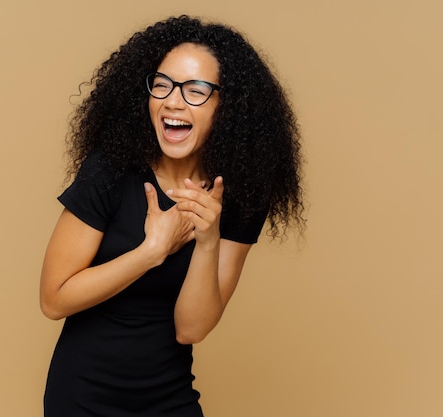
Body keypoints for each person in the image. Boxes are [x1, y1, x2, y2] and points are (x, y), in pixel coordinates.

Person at [40, 15, 305, 417]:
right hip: (83, 394)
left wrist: (209, 239)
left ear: (226, 106)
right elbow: (54, 299)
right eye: (162, 85)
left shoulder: (243, 193)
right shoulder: (110, 170)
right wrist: (152, 250)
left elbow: (191, 329)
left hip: (169, 397)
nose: (173, 101)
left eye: (195, 90)